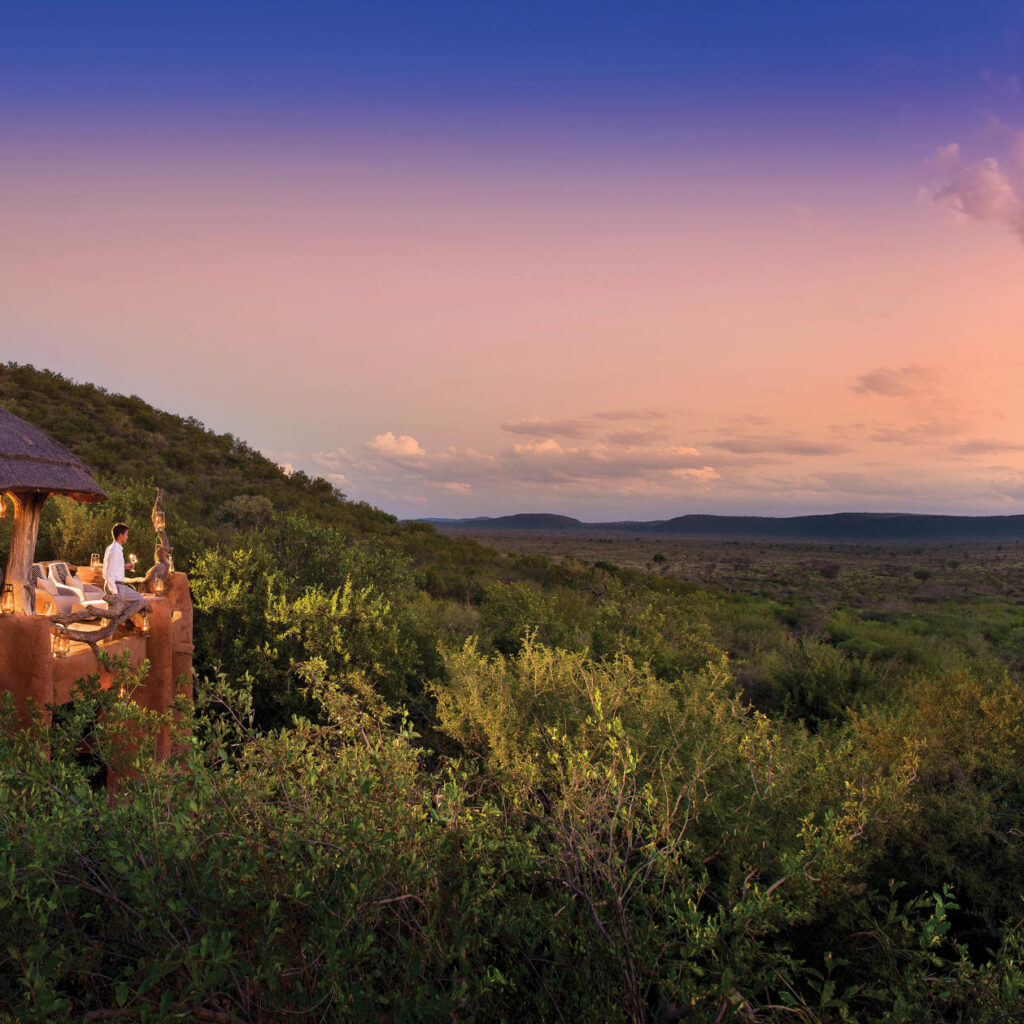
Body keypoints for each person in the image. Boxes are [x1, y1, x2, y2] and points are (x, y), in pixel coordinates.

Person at [102, 523, 147, 616]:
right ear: (120, 536)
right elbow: (109, 573)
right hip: (115, 586)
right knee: (140, 599)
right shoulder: (114, 551)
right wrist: (115, 593)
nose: (127, 537)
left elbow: (112, 568)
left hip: (114, 585)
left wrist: (124, 567)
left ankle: (125, 620)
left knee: (113, 614)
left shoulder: (112, 548)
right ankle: (127, 617)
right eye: (126, 534)